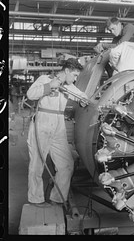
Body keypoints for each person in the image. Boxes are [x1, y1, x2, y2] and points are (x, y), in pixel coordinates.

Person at [26, 58, 88, 205]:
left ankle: (57, 198)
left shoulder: (69, 86)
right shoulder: (44, 79)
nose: (75, 78)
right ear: (66, 71)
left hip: (59, 125)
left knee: (66, 164)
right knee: (36, 165)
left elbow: (82, 96)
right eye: (74, 75)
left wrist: (84, 100)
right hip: (42, 122)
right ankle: (36, 199)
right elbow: (30, 94)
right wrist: (48, 86)